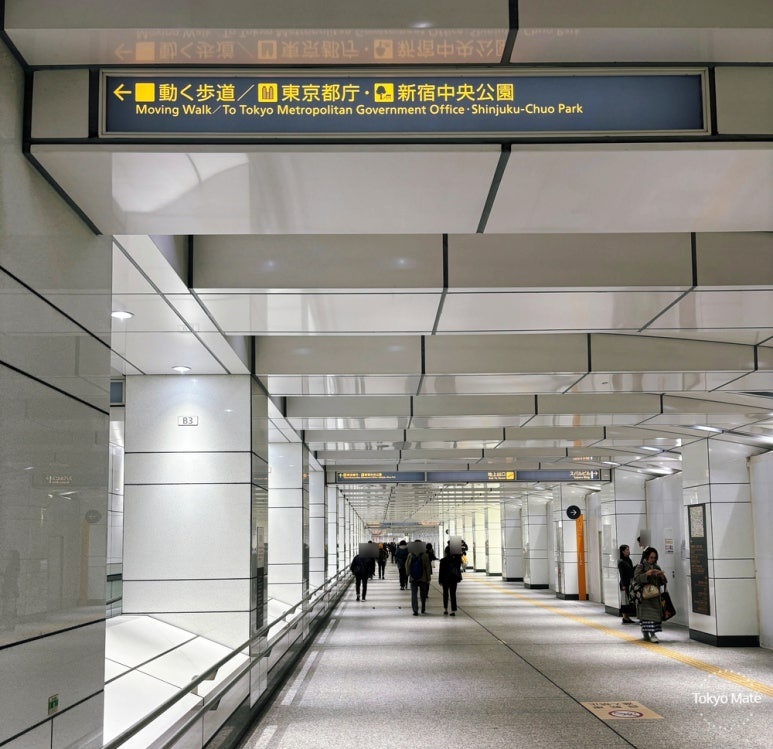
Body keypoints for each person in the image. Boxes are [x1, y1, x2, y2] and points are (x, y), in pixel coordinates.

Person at [633, 546, 667, 642]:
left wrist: (662, 576)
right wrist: (646, 575)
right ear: (646, 557)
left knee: (653, 617)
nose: (653, 559)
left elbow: (663, 582)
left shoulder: (657, 567)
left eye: (655, 558)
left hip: (655, 596)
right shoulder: (641, 566)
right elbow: (636, 579)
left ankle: (652, 634)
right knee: (647, 617)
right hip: (645, 597)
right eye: (651, 557)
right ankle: (647, 633)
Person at [405, 540, 432, 615]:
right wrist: (428, 578)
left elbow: (407, 565)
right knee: (423, 594)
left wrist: (408, 574)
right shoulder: (425, 555)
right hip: (423, 578)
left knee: (414, 594)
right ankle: (423, 608)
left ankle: (415, 610)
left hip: (413, 578)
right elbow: (427, 568)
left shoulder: (410, 555)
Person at [438, 546, 463, 616]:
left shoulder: (443, 560)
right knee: (453, 594)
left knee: (445, 594)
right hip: (453, 579)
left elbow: (441, 572)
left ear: (445, 552)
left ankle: (445, 609)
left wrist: (440, 580)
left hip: (445, 579)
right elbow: (458, 570)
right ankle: (453, 610)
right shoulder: (456, 561)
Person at [617, 544, 636, 624]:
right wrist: (624, 586)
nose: (629, 551)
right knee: (625, 601)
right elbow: (622, 574)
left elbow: (631, 571)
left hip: (630, 583)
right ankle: (625, 618)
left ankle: (627, 617)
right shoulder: (621, 562)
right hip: (624, 584)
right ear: (623, 551)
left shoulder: (629, 560)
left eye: (629, 549)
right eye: (627, 550)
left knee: (628, 600)